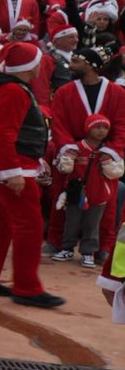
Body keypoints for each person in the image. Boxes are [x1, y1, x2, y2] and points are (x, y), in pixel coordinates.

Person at [0, 42, 64, 309]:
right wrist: (12, 172)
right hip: (10, 168)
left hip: (1, 165)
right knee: (29, 226)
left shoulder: (4, 86)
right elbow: (3, 134)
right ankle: (27, 287)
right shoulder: (12, 90)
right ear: (30, 65)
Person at [54, 114, 123, 268]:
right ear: (88, 128)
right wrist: (67, 159)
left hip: (99, 194)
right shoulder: (76, 148)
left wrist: (107, 162)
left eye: (105, 128)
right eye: (97, 127)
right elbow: (64, 168)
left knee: (92, 225)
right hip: (76, 193)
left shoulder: (109, 152)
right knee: (71, 221)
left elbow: (116, 173)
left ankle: (88, 253)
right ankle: (67, 249)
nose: (101, 131)